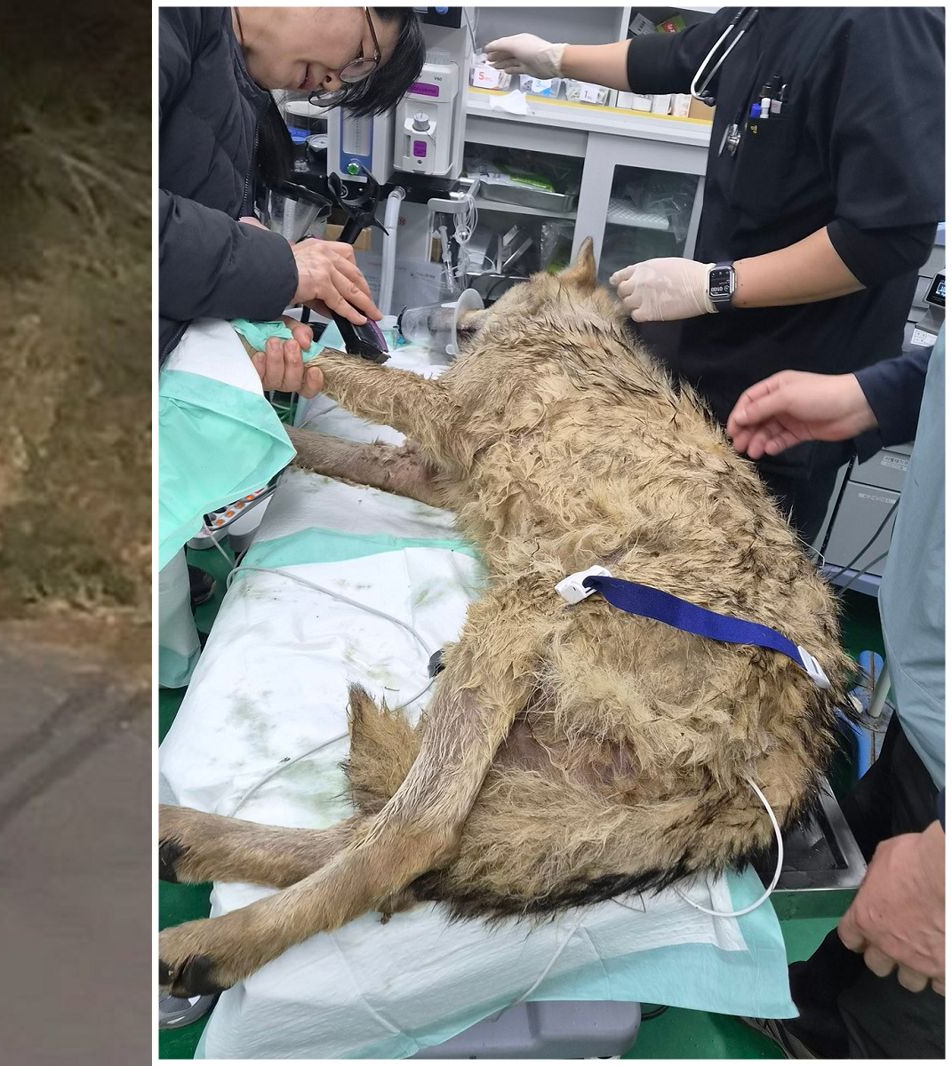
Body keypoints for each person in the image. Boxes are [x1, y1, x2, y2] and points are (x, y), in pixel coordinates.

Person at [484, 8, 945, 546]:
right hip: (704, 373)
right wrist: (555, 58)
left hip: (783, 406)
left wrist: (714, 286)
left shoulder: (884, 23)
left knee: (719, 574)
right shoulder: (761, 16)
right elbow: (679, 57)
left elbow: (884, 238)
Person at [725, 339, 945, 1057]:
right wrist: (872, 397)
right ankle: (810, 1020)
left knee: (902, 1010)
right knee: (856, 925)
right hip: (931, 717)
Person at [159, 6, 428, 396]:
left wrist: (241, 314)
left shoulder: (238, 91)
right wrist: (280, 267)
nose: (334, 83)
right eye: (360, 59)